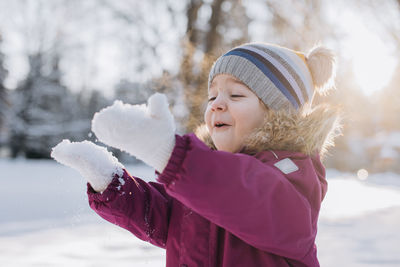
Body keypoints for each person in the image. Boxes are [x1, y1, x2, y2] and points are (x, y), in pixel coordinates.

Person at [51, 42, 342, 266]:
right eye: (212, 96)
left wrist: (174, 157)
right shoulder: (204, 185)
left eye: (236, 95)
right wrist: (111, 182)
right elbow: (166, 215)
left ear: (277, 113)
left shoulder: (293, 172)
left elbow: (251, 197)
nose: (216, 104)